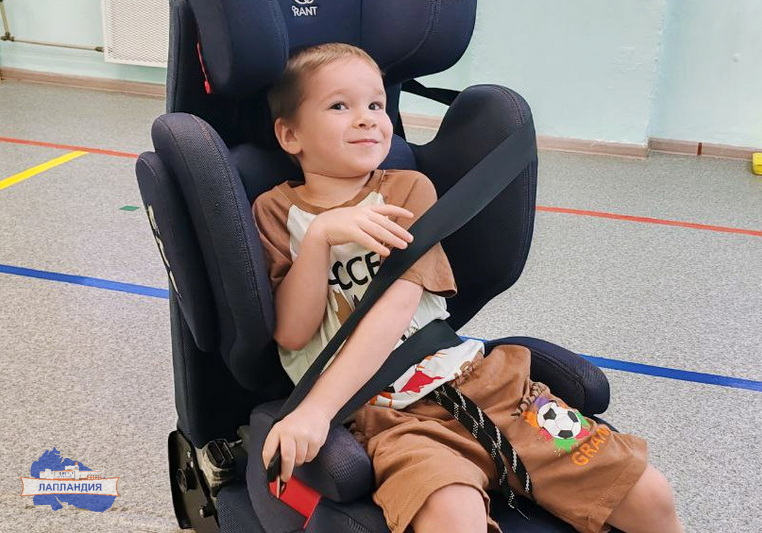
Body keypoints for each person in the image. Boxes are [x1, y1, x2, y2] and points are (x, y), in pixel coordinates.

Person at [252, 42, 684, 533]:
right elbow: (293, 333)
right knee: (454, 518)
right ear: (290, 135)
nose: (368, 118)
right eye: (339, 106)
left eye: (376, 104)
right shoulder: (275, 211)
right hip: (386, 416)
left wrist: (316, 410)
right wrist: (319, 239)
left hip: (482, 383)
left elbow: (395, 310)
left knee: (649, 493)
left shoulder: (405, 190)